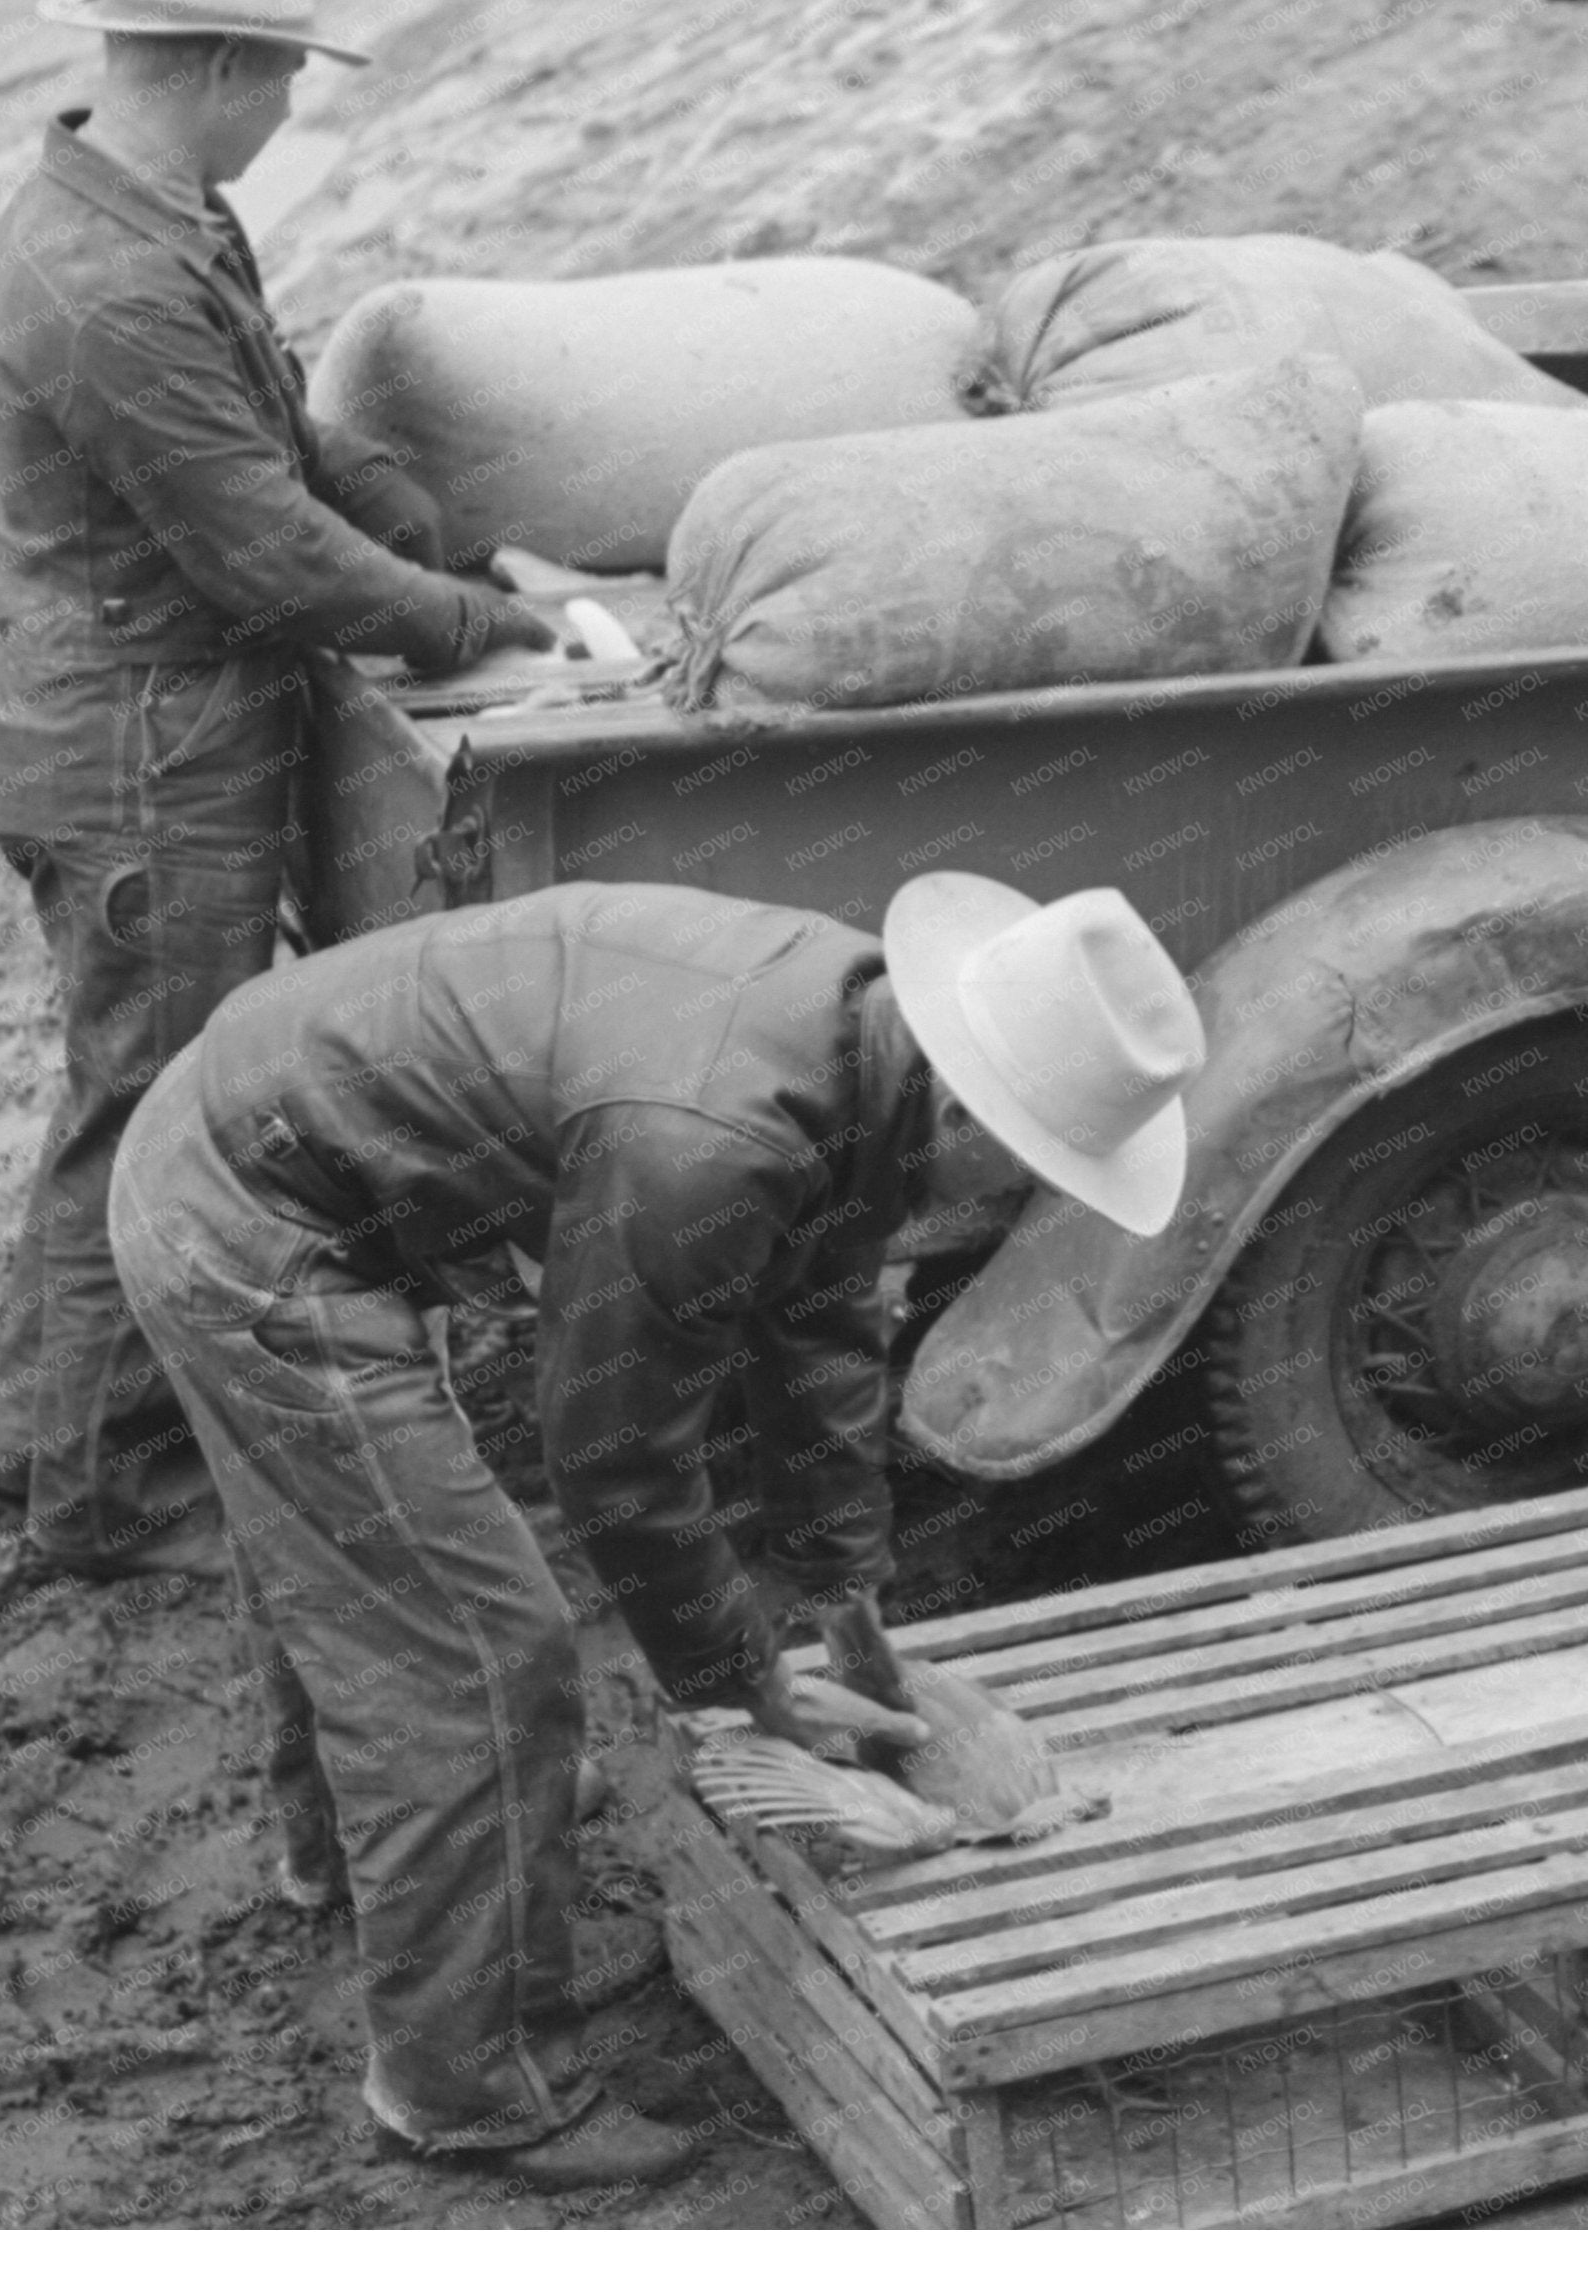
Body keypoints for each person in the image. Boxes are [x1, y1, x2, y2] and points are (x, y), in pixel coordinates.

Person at [110, 876, 1205, 2189]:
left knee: (367, 1563)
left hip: (291, 1142)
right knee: (483, 1651)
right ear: (973, 1104)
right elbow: (618, 1460)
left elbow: (822, 1316)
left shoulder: (868, 1045)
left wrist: (840, 1576)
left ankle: (352, 1860)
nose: (1016, 1202)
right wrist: (744, 1689)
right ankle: (470, 2094)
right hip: (249, 1217)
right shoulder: (710, 1141)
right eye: (1026, 1166)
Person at [0, 0, 557, 1580]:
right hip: (142, 765)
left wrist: (422, 519)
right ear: (225, 64)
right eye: (285, 72)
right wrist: (472, 623)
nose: (294, 104)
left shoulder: (162, 211)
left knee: (118, 1101)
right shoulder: (104, 278)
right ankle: (109, 1502)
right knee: (156, 1119)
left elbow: (280, 439)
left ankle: (48, 1438)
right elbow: (259, 548)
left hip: (153, 731)